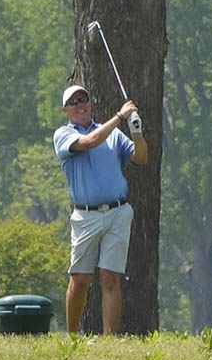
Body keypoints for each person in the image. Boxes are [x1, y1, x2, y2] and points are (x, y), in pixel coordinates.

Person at [53, 84, 147, 335]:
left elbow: (140, 158)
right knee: (80, 280)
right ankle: (72, 337)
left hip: (118, 212)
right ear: (65, 110)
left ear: (90, 103)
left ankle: (109, 339)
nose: (80, 105)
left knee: (110, 278)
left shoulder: (114, 135)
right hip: (86, 216)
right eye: (73, 102)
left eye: (83, 99)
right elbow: (89, 142)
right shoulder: (63, 134)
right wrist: (120, 116)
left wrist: (137, 134)